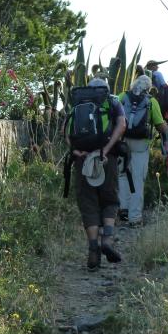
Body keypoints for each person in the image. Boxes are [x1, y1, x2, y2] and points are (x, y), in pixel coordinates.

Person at [66, 77, 127, 270]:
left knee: (88, 203)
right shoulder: (112, 102)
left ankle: (93, 250)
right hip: (105, 159)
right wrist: (107, 148)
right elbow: (122, 125)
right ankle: (106, 241)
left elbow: (65, 130)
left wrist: (75, 151)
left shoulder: (78, 102)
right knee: (110, 200)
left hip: (82, 160)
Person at [117, 75, 168, 225]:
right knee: (137, 180)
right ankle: (135, 218)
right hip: (141, 144)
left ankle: (124, 210)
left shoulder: (122, 96)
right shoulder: (152, 101)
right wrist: (166, 128)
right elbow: (160, 125)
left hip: (122, 142)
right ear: (148, 87)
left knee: (122, 175)